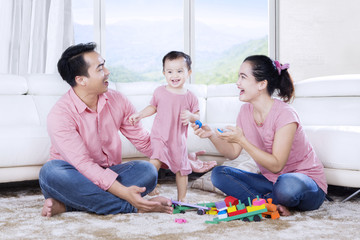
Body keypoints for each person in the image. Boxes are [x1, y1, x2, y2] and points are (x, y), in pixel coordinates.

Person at [39, 42, 173, 217]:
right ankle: (134, 206)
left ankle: (68, 206)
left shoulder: (117, 100)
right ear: (81, 80)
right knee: (50, 172)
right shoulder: (59, 115)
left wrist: (178, 158)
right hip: (73, 177)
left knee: (147, 171)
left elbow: (143, 140)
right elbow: (84, 165)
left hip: (110, 174)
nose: (108, 71)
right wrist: (126, 195)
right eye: (100, 68)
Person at [192, 55, 327, 216]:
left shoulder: (285, 115)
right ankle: (267, 205)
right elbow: (232, 153)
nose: (237, 83)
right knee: (219, 174)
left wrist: (242, 140)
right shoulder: (245, 112)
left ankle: (265, 200)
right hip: (271, 182)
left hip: (304, 183)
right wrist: (211, 135)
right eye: (238, 77)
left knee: (286, 186)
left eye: (243, 77)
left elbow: (277, 165)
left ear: (262, 84)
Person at [129, 51, 216, 202]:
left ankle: (182, 198)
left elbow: (197, 117)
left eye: (179, 71)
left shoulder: (191, 97)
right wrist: (140, 114)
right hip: (160, 136)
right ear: (164, 73)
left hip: (178, 140)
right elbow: (152, 107)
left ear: (188, 73)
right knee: (155, 160)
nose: (174, 75)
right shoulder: (160, 91)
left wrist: (191, 116)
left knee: (182, 170)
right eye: (170, 71)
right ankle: (148, 186)